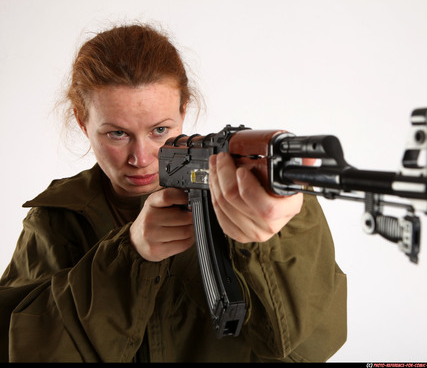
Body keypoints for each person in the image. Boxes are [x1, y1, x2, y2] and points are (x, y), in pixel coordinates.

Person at [0, 23, 347, 362]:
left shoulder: (250, 199)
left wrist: (280, 232)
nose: (141, 158)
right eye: (117, 134)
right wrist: (130, 254)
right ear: (82, 121)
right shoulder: (57, 220)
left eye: (160, 129)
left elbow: (311, 347)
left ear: (184, 111)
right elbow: (20, 347)